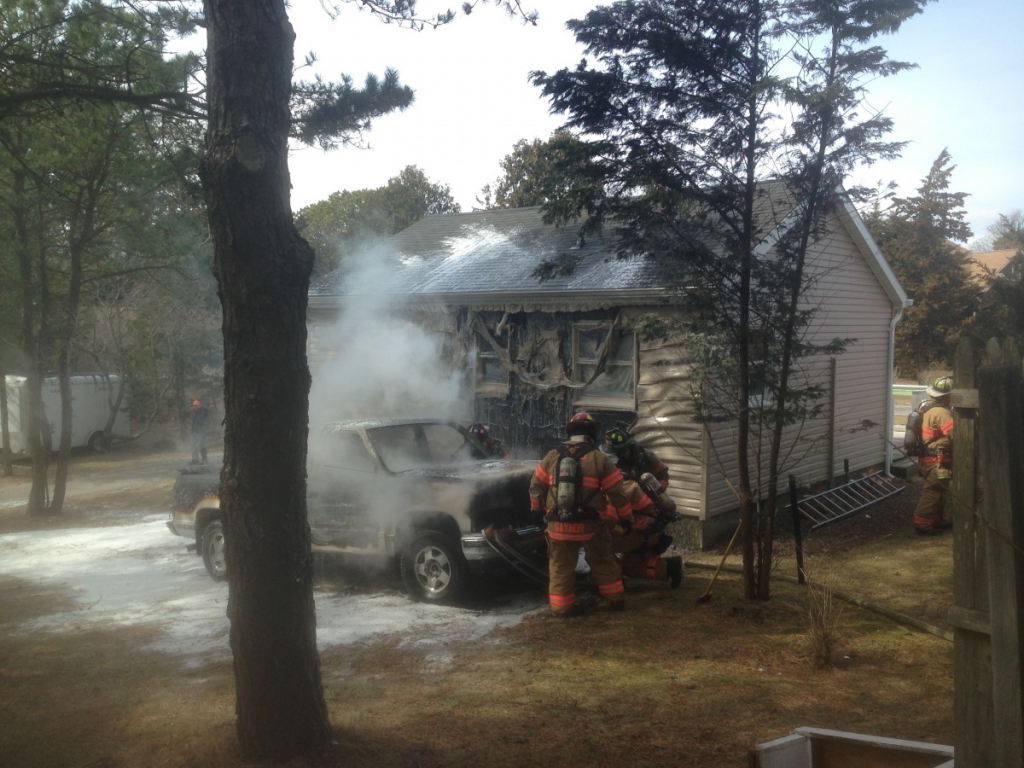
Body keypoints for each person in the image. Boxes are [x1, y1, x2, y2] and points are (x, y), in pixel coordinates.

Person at [529, 412, 633, 616]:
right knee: (603, 560)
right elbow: (617, 493)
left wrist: (535, 509)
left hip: (557, 525)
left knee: (560, 566)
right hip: (591, 526)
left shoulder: (552, 456)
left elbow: (536, 485)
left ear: (570, 432)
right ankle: (615, 600)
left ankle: (561, 608)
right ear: (592, 433)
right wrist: (626, 519)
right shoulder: (599, 459)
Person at [610, 478, 683, 588]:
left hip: (643, 533)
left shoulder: (610, 494)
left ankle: (613, 588)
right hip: (650, 532)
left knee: (599, 548)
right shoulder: (621, 482)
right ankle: (669, 567)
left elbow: (611, 523)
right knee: (629, 565)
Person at [909, 376, 954, 534]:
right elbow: (955, 435)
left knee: (940, 489)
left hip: (933, 458)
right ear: (947, 396)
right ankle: (922, 524)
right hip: (937, 460)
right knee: (933, 490)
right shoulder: (941, 412)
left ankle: (937, 519)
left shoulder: (930, 408)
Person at [603, 427, 670, 489]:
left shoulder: (646, 456)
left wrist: (660, 489)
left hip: (650, 493)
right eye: (616, 453)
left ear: (628, 448)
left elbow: (663, 473)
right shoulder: (615, 464)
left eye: (621, 452)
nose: (620, 455)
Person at [190, 399, 210, 465]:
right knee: (192, 445)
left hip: (202, 431)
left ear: (199, 405)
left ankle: (204, 460)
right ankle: (195, 460)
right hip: (195, 431)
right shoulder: (194, 413)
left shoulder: (204, 411)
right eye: (194, 406)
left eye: (196, 405)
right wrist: (192, 431)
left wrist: (204, 429)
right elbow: (193, 423)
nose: (195, 407)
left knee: (202, 445)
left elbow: (207, 421)